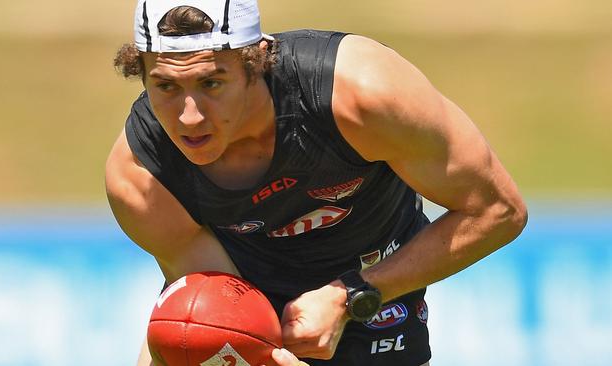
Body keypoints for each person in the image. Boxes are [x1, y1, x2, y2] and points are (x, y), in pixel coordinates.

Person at [105, 0, 528, 365]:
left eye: (212, 83)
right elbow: (224, 308)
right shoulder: (141, 176)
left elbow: (498, 211)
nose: (189, 116)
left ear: (257, 60)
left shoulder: (360, 94)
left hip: (373, 285)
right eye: (165, 86)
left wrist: (353, 295)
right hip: (240, 291)